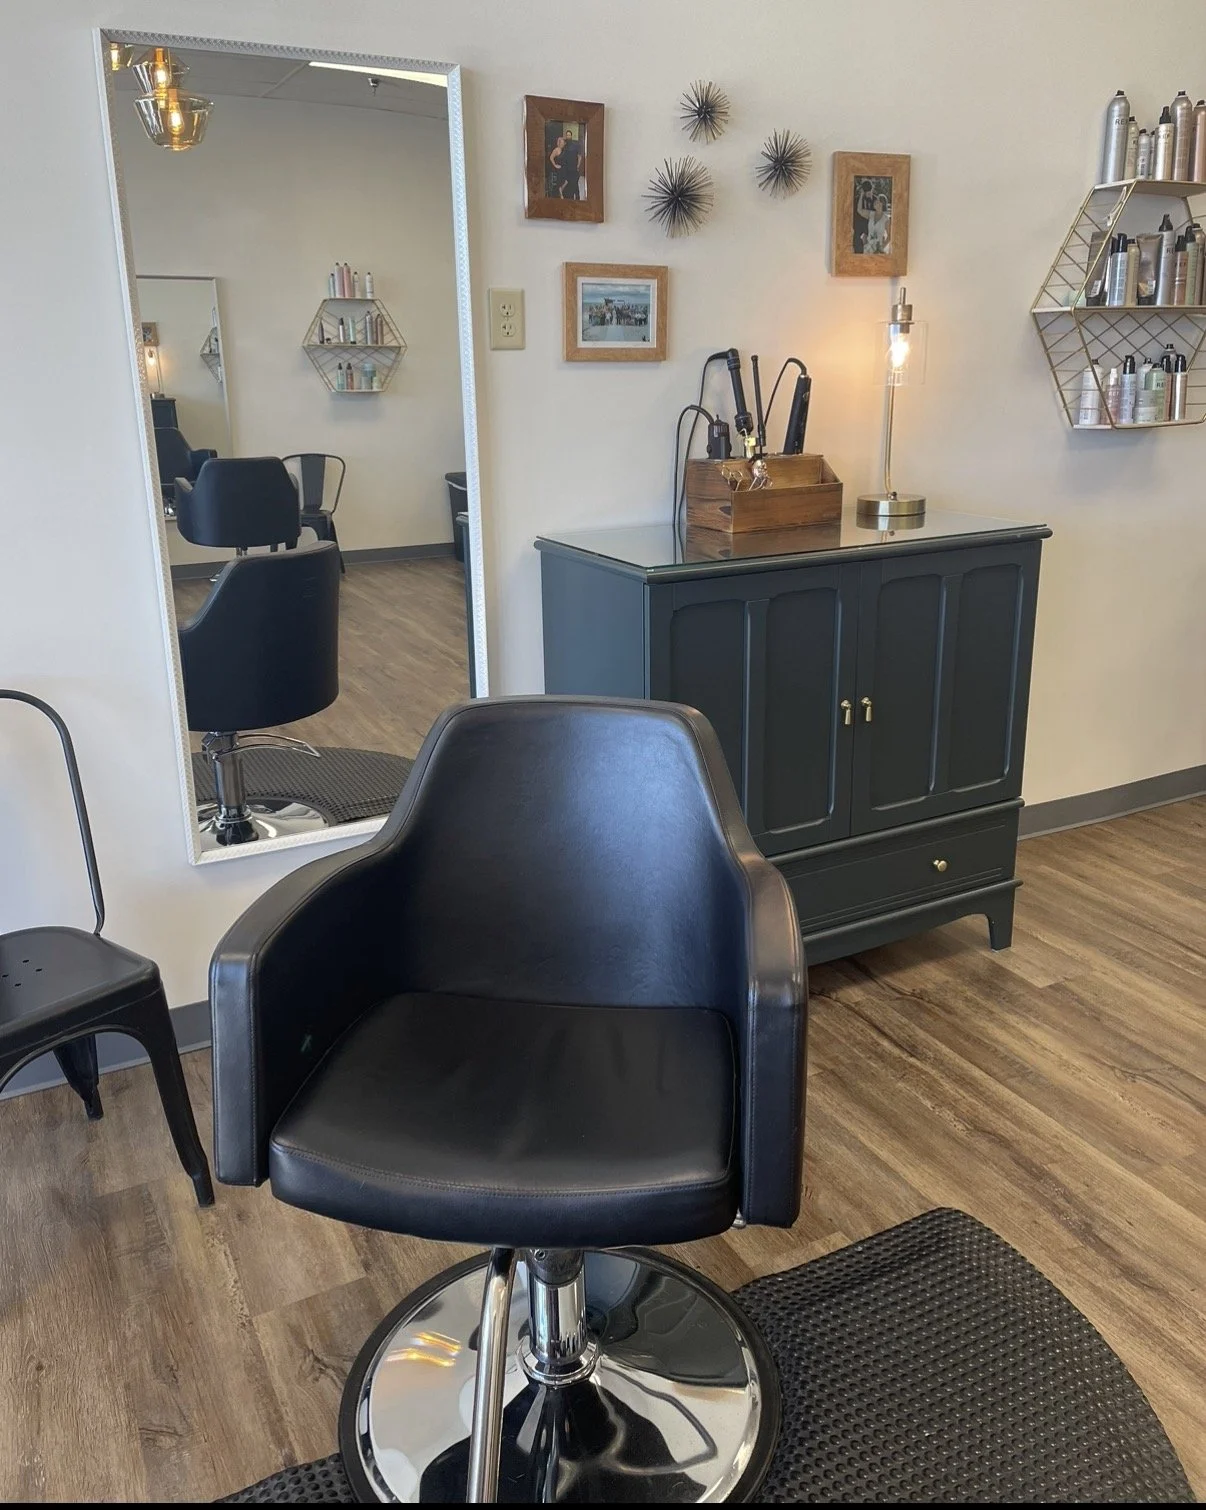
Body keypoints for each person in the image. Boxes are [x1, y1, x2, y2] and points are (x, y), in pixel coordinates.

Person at [559, 130, 583, 200]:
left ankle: (577, 197)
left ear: (571, 136)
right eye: (567, 135)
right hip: (567, 168)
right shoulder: (565, 145)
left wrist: (578, 165)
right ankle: (570, 197)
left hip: (574, 167)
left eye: (569, 135)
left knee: (575, 182)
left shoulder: (575, 145)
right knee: (569, 183)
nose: (568, 136)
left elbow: (579, 156)